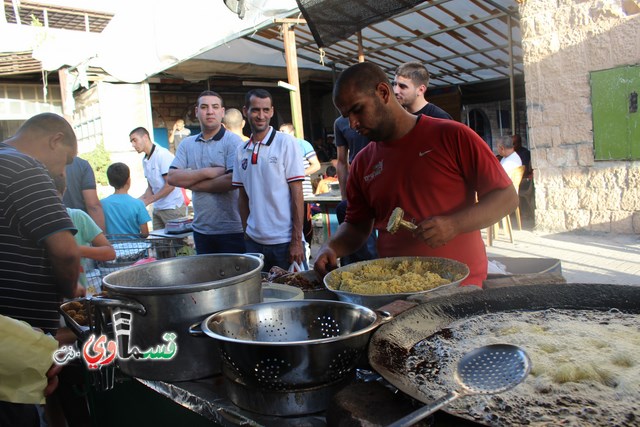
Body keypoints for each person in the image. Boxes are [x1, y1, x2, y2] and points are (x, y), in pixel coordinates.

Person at [314, 62, 518, 286]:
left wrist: (454, 225)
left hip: (459, 287)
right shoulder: (363, 163)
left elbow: (507, 198)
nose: (352, 123)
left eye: (357, 109)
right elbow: (357, 225)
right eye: (346, 116)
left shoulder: (452, 136)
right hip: (395, 290)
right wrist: (331, 247)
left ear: (383, 93)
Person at [0, 112, 81, 426]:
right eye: (66, 160)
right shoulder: (24, 166)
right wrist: (69, 292)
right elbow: (66, 251)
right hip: (17, 342)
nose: (62, 171)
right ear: (55, 140)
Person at [232, 89, 306, 271]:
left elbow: (297, 193)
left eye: (266, 110)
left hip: (285, 241)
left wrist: (296, 240)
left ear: (272, 111)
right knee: (261, 295)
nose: (261, 115)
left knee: (292, 294)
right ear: (245, 111)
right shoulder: (241, 150)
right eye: (256, 110)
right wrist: (246, 232)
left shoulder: (286, 143)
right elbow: (242, 197)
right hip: (254, 243)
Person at [168, 91, 245, 254]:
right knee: (208, 278)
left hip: (232, 230)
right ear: (196, 112)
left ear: (222, 112)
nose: (210, 111)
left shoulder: (233, 141)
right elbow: (173, 177)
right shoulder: (187, 144)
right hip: (201, 231)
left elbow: (232, 180)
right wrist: (208, 172)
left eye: (215, 107)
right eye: (204, 107)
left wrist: (193, 184)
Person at [54, 174, 115, 292]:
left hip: (75, 298)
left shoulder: (78, 217)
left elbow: (109, 253)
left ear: (64, 190)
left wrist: (75, 250)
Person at [334, 115, 377, 265]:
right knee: (343, 210)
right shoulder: (340, 123)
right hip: (358, 181)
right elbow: (341, 161)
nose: (353, 124)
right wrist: (345, 196)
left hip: (380, 176)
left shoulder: (377, 117)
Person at [130, 127, 187, 231]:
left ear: (145, 137)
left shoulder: (162, 154)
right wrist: (135, 202)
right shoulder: (145, 160)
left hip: (172, 208)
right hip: (157, 209)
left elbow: (170, 185)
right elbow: (150, 188)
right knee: (159, 245)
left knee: (179, 245)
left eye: (135, 140)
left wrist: (149, 200)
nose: (133, 145)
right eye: (131, 142)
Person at [101, 162, 151, 236]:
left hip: (111, 246)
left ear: (110, 182)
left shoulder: (102, 204)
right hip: (134, 246)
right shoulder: (138, 204)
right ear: (128, 180)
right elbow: (145, 233)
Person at [63, 156, 106, 231]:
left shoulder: (38, 163)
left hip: (49, 231)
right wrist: (101, 237)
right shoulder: (81, 165)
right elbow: (93, 205)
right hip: (80, 229)